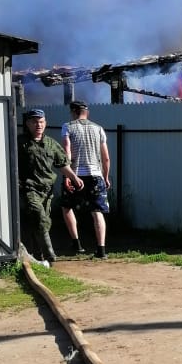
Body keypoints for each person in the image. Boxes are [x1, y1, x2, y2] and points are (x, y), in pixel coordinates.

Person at [17, 109, 82, 264]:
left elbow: (62, 164)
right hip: (29, 189)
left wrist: (74, 177)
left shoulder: (51, 144)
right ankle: (50, 255)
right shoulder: (20, 142)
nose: (38, 125)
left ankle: (36, 255)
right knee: (39, 216)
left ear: (45, 123)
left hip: (46, 191)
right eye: (34, 122)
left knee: (43, 221)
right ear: (28, 124)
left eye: (41, 122)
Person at [60, 100, 111, 258]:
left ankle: (77, 244)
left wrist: (67, 174)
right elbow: (106, 158)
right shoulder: (98, 129)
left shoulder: (67, 126)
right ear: (86, 112)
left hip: (76, 174)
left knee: (67, 207)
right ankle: (101, 249)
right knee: (97, 211)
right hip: (96, 175)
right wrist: (106, 177)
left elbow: (67, 150)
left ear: (74, 112)